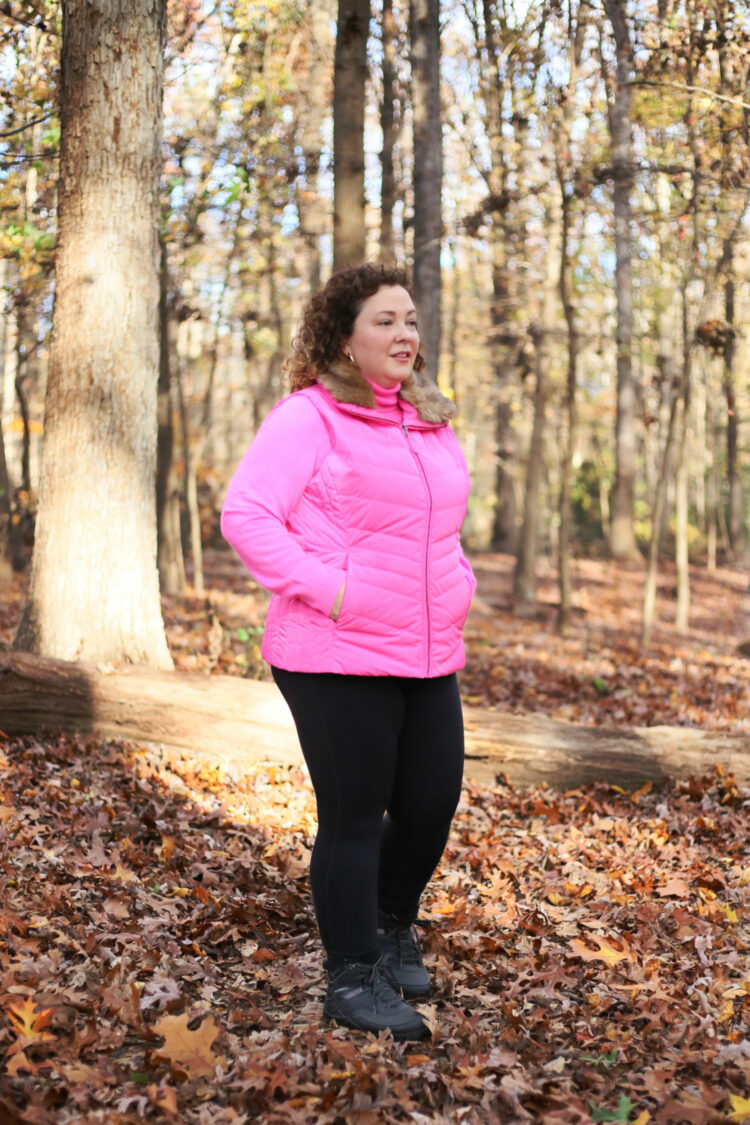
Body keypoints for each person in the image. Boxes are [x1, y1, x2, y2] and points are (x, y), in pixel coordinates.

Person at [221, 263, 476, 1042]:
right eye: (384, 321)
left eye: (410, 320)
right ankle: (351, 975)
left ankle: (392, 926)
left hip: (428, 649)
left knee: (431, 803)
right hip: (333, 651)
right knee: (356, 815)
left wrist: (457, 578)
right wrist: (331, 590)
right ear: (343, 338)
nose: (405, 334)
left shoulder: (428, 420)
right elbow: (247, 514)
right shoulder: (310, 417)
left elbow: (437, 530)